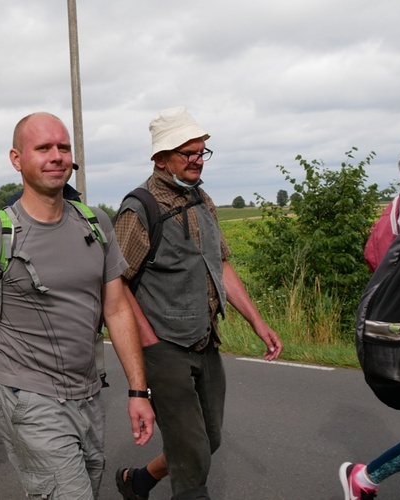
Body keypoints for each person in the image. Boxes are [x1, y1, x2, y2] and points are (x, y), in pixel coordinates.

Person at [0, 112, 154, 499]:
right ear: (16, 159)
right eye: (43, 148)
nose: (56, 156)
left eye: (63, 147)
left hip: (89, 394)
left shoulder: (97, 225)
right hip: (30, 399)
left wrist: (138, 392)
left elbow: (116, 309)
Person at [113, 106, 283, 500]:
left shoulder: (202, 199)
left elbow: (220, 264)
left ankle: (139, 481)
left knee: (208, 440)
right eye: (187, 152)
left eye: (201, 151)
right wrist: (150, 342)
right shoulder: (140, 208)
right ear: (160, 158)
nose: (196, 160)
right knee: (192, 461)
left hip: (205, 340)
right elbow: (115, 283)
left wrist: (258, 323)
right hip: (163, 346)